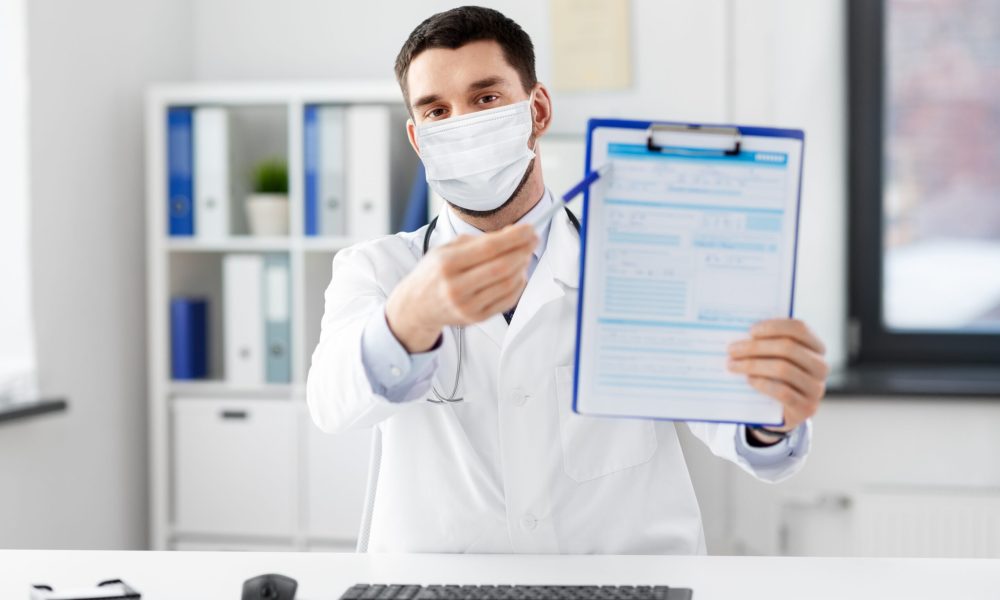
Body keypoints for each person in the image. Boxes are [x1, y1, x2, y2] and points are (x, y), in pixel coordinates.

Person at [306, 6, 829, 554]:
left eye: (485, 99)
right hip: (443, 588)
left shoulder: (639, 257)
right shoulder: (376, 270)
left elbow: (737, 424)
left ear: (538, 110)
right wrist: (407, 320)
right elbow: (332, 403)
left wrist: (771, 415)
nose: (461, 124)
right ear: (418, 139)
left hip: (626, 586)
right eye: (437, 111)